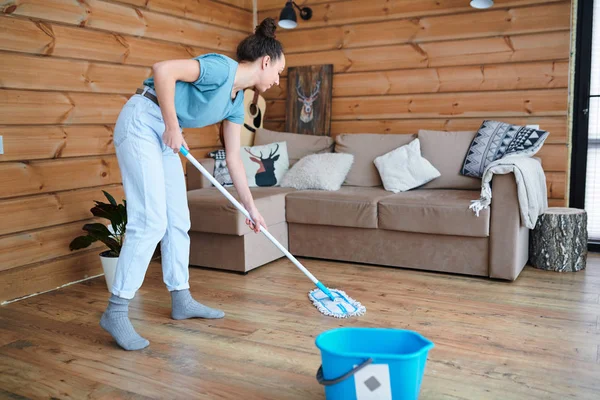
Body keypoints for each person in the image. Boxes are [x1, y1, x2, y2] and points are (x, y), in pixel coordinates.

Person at [100, 18, 286, 351]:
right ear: (266, 62)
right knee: (151, 221)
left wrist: (250, 207)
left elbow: (233, 159)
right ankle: (116, 311)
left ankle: (181, 298)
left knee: (178, 221)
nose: (276, 81)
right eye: (278, 73)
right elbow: (163, 70)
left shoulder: (236, 101)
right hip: (143, 120)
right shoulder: (220, 69)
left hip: (167, 134)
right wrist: (172, 125)